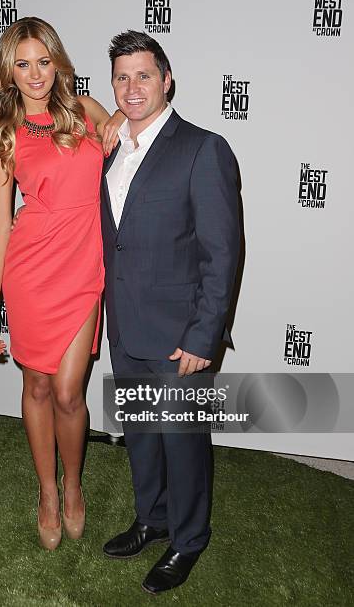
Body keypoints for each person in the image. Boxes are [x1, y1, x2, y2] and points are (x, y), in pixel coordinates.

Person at [100, 31, 240, 594]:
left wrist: (205, 335)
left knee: (183, 441)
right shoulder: (111, 146)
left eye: (144, 76)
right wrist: (111, 118)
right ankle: (152, 518)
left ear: (167, 80)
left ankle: (188, 538)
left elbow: (222, 253)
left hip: (182, 334)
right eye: (121, 77)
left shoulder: (204, 148)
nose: (132, 87)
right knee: (141, 432)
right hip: (124, 324)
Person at [0, 16, 123, 551]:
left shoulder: (84, 110)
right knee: (36, 386)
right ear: (8, 72)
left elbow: (130, 146)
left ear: (57, 61)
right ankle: (46, 493)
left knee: (67, 391)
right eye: (22, 64)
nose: (35, 73)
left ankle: (75, 488)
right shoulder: (4, 133)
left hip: (84, 267)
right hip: (31, 269)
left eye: (43, 61)